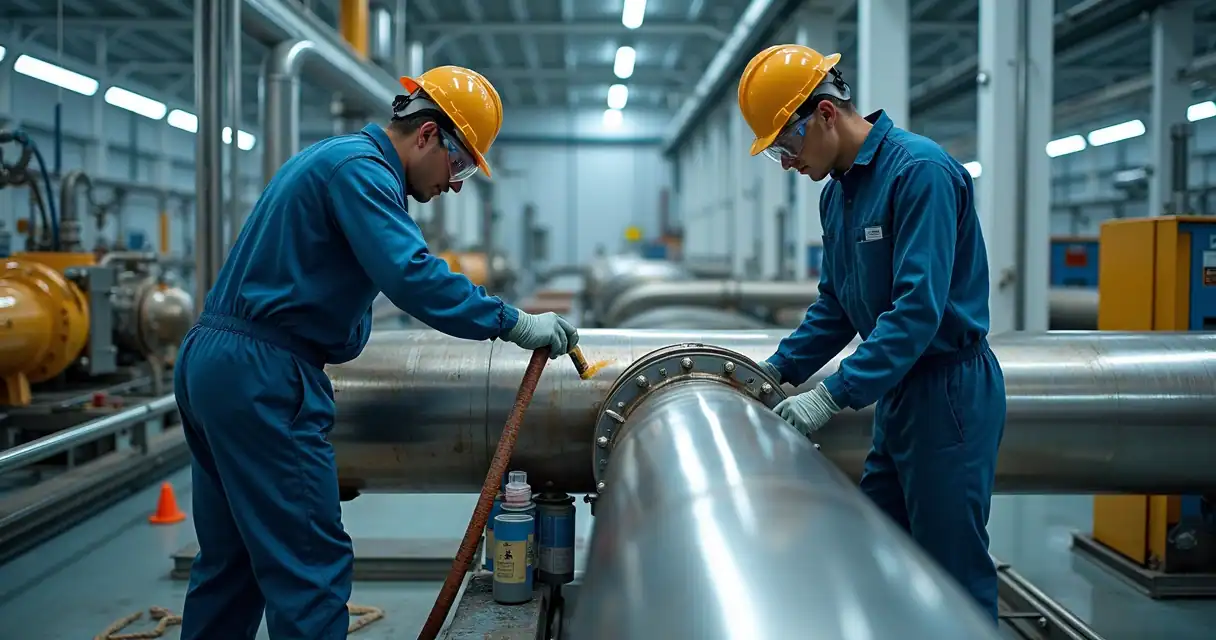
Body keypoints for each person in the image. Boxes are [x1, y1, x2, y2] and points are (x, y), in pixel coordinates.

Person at [173, 65, 579, 639]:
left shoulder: (335, 159)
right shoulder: (363, 171)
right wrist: (512, 322)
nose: (455, 184)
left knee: (231, 560)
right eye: (459, 164)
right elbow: (412, 275)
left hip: (215, 364)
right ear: (428, 133)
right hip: (263, 375)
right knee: (308, 564)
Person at [738, 44, 1007, 623]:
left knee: (952, 572)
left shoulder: (919, 173)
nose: (786, 163)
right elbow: (836, 306)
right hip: (899, 392)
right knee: (879, 552)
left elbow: (917, 312)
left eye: (786, 144)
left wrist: (831, 395)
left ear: (825, 114)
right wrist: (774, 371)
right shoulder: (837, 195)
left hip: (948, 394)